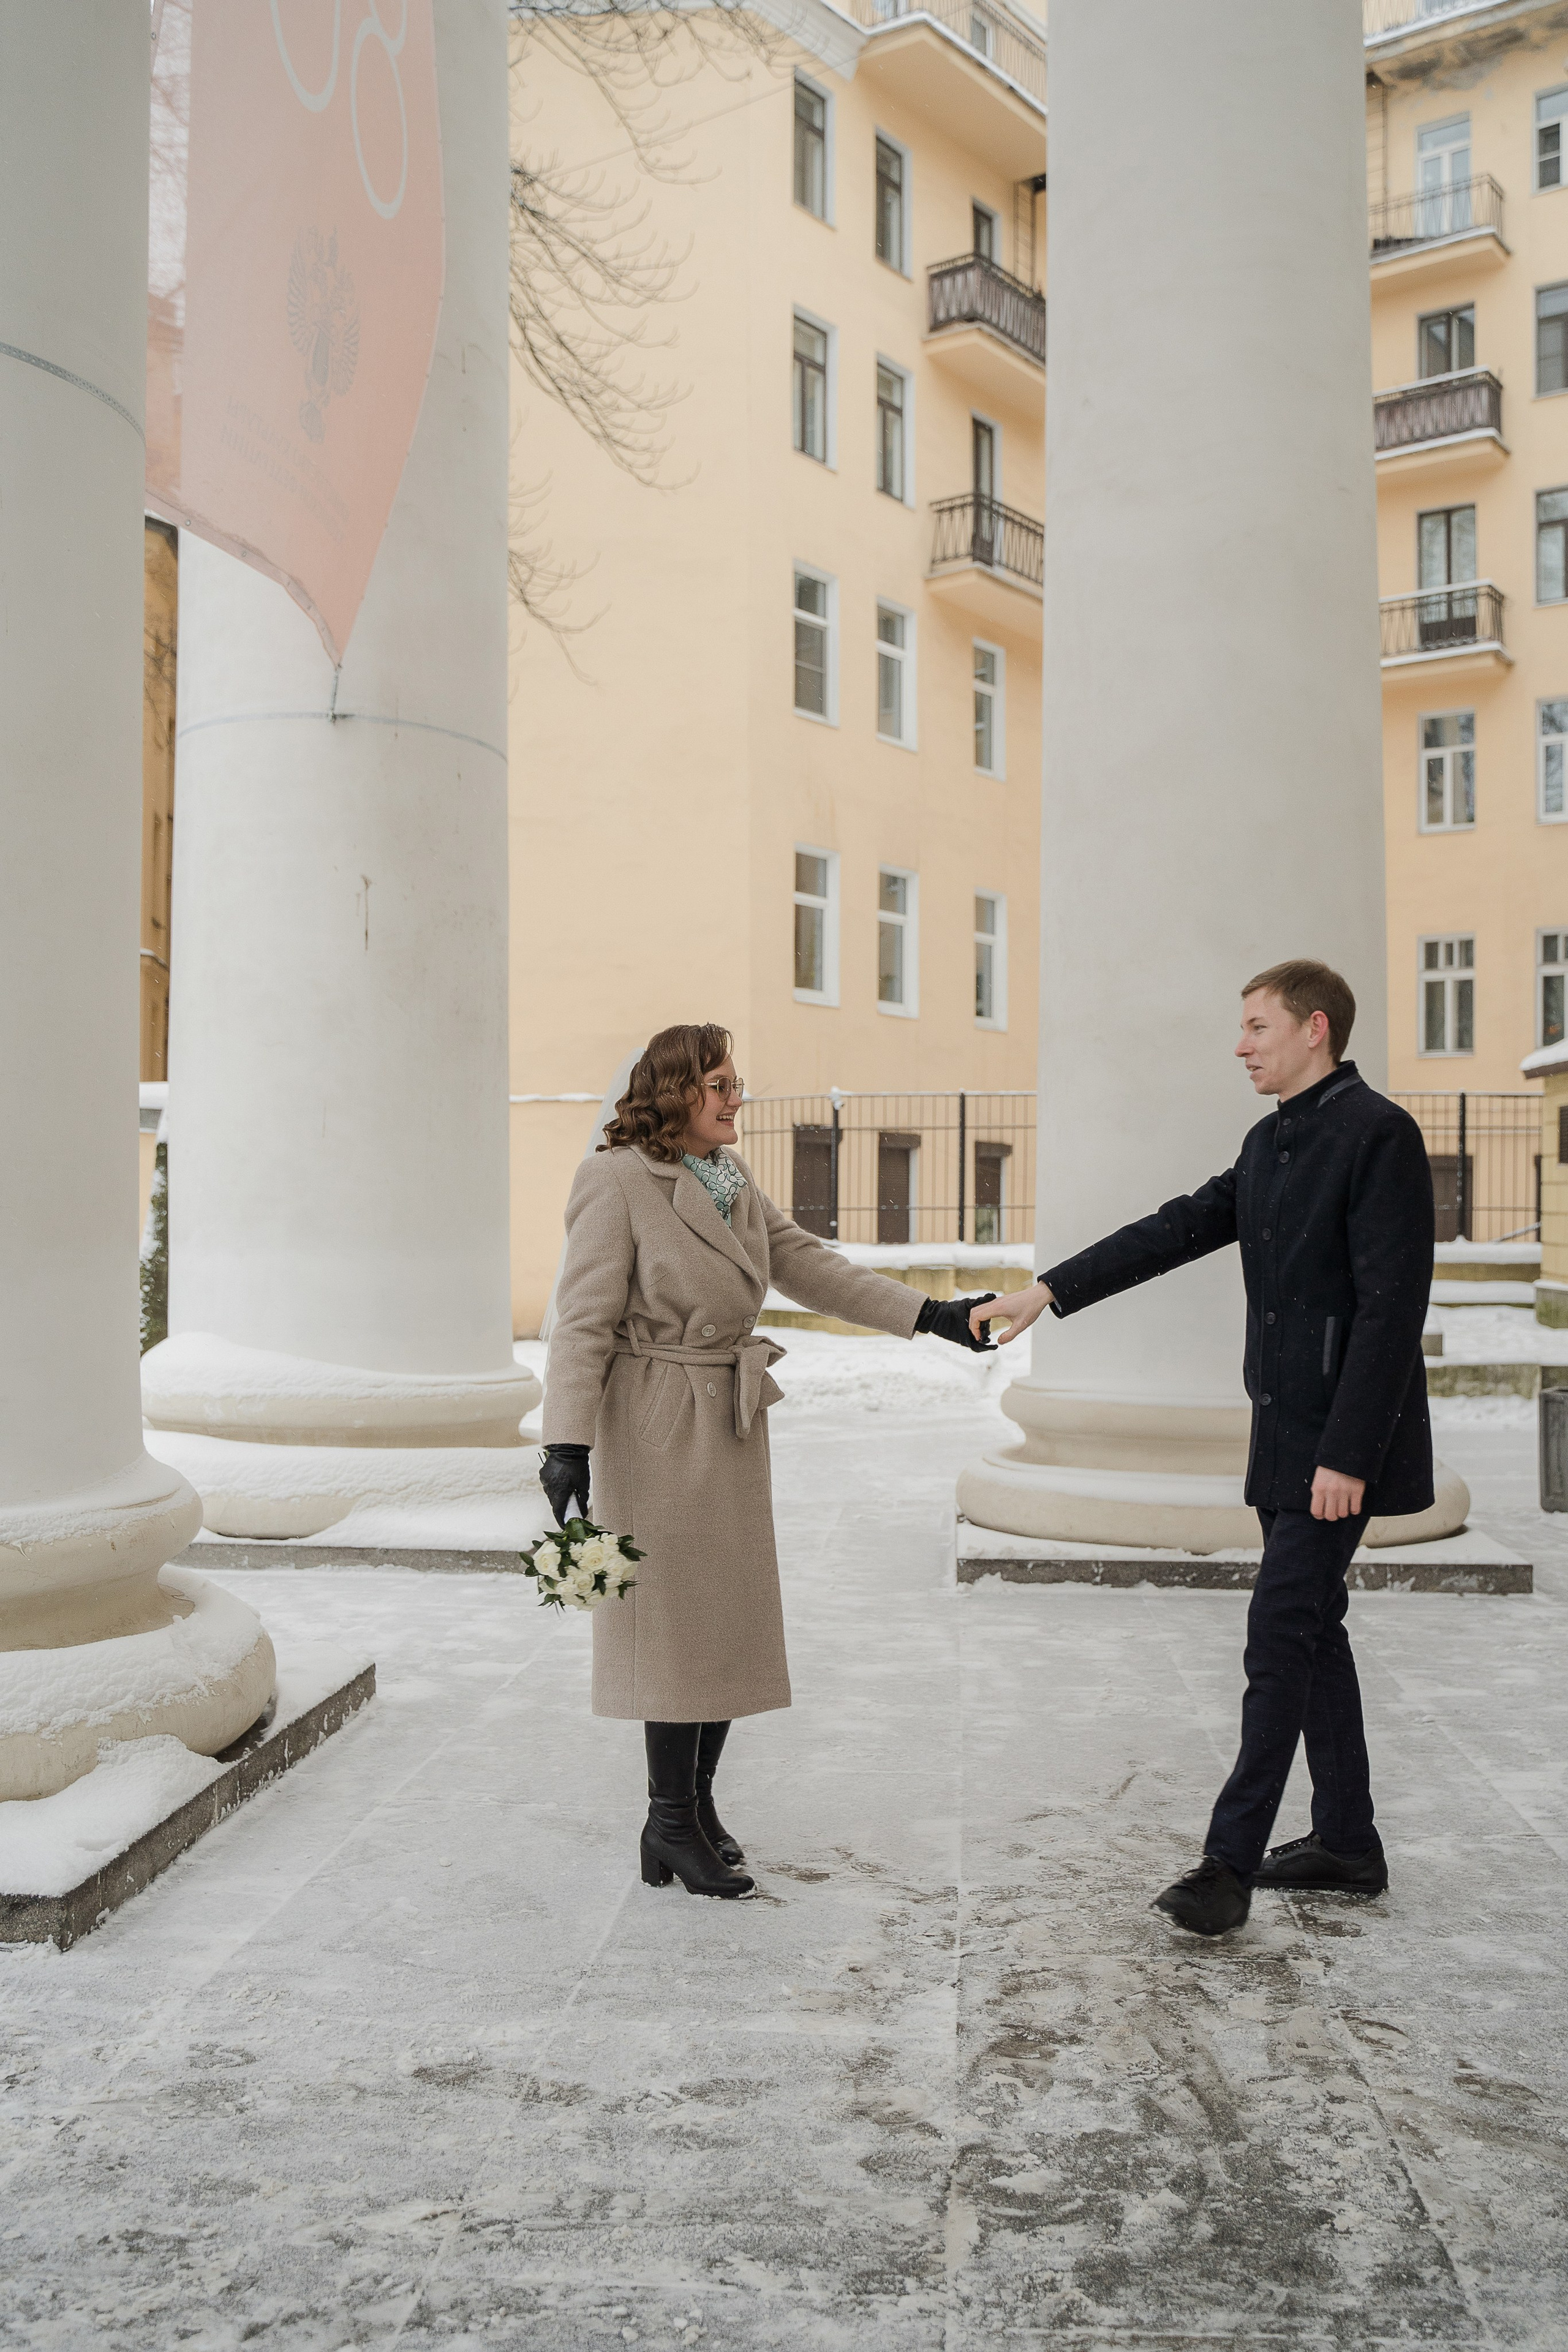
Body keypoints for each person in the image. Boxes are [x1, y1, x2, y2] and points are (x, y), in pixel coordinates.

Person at [973, 960, 1433, 1938]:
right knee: (1314, 1631)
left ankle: (1229, 1865)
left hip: (1338, 1446)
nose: (1241, 1045)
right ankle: (1347, 1841)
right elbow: (1179, 1226)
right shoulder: (1271, 1141)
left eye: (1257, 1027)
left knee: (1280, 1634)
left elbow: (1392, 1316)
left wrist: (1349, 1455)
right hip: (1282, 1435)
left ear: (1315, 1029)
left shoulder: (1379, 1135)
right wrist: (1048, 1291)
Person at [540, 1022, 995, 1899]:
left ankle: (694, 1809)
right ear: (675, 1091)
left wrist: (932, 1316)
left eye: (736, 1080)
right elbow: (582, 1320)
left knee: (724, 1620)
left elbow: (809, 1267)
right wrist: (567, 1443)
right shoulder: (616, 1178)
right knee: (675, 1624)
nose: (736, 1096)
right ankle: (669, 1821)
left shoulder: (729, 1178)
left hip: (730, 1417)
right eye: (720, 1083)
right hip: (655, 1420)